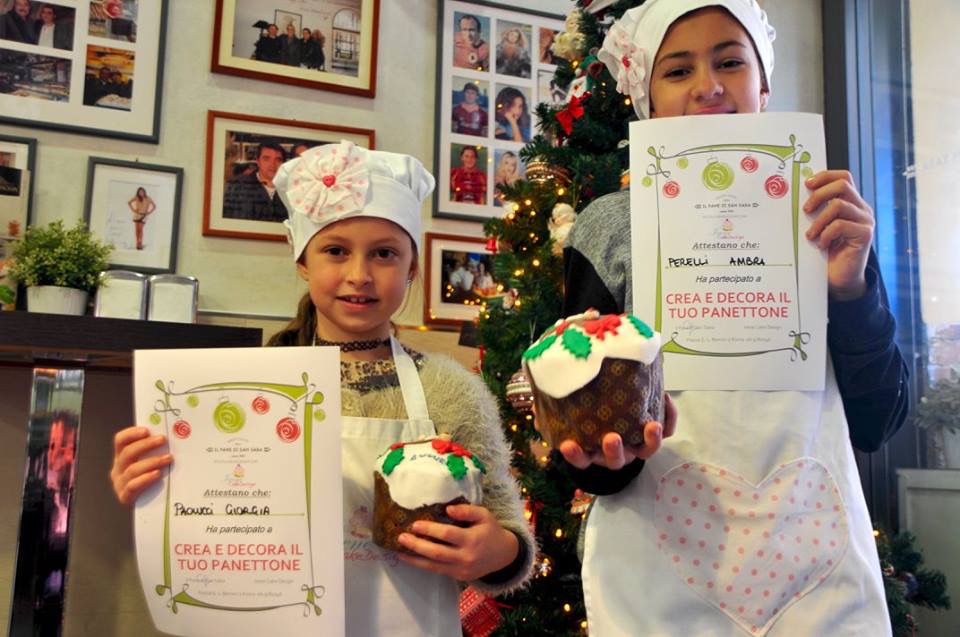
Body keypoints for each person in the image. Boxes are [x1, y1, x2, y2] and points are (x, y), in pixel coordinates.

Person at [554, 1, 909, 635]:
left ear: (763, 86)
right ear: (645, 99)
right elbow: (588, 447)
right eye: (677, 70)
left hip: (813, 557)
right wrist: (599, 445)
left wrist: (851, 289)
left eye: (730, 62)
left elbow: (879, 419)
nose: (708, 86)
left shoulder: (826, 217)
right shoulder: (608, 228)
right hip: (658, 568)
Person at [110, 141, 535, 635]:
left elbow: (508, 530)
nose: (359, 275)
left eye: (384, 254)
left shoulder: (452, 391)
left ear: (411, 268)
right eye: (336, 251)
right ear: (303, 262)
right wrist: (153, 488)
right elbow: (204, 516)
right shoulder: (244, 389)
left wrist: (496, 552)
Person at [222, 142, 288, 222]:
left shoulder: (290, 190)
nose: (272, 165)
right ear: (258, 161)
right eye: (266, 159)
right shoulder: (237, 186)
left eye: (278, 160)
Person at [127, 186, 156, 250]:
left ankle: (140, 243)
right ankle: (137, 243)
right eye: (140, 192)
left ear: (144, 192)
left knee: (141, 229)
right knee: (137, 230)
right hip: (137, 215)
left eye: (142, 192)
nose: (141, 193)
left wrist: (149, 212)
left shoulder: (148, 198)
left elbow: (154, 206)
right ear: (138, 192)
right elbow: (129, 203)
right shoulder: (136, 197)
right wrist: (133, 210)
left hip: (144, 215)